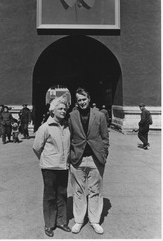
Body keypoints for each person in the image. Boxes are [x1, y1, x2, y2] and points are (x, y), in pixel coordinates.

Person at [68, 88, 109, 234]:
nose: (82, 102)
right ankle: (79, 221)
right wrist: (70, 156)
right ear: (76, 102)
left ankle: (94, 221)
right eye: (79, 100)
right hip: (77, 158)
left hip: (95, 159)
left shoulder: (100, 115)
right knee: (78, 191)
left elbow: (105, 137)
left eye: (84, 99)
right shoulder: (72, 116)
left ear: (89, 99)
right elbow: (69, 136)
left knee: (95, 190)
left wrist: (104, 154)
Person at [33, 96, 71, 237]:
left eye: (65, 109)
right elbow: (37, 147)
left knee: (62, 194)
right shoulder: (45, 128)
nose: (63, 111)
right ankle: (49, 224)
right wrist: (47, 160)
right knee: (50, 196)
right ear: (52, 111)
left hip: (63, 167)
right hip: (49, 168)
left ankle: (61, 221)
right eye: (60, 108)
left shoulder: (67, 127)